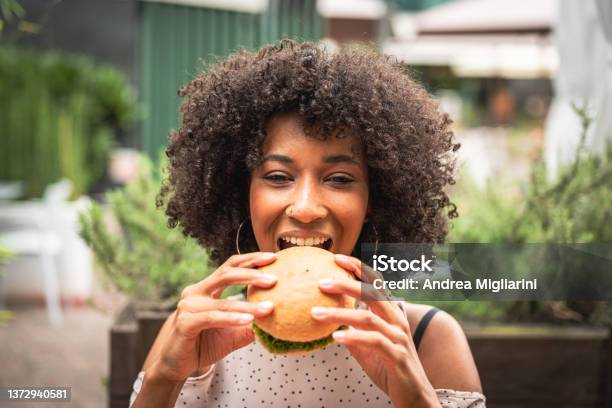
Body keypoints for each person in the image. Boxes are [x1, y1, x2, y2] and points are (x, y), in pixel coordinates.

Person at [129, 39, 485, 408]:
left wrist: (415, 396)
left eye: (340, 179)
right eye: (279, 176)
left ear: (373, 200)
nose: (305, 208)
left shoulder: (428, 337)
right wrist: (164, 378)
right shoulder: (194, 332)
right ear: (242, 192)